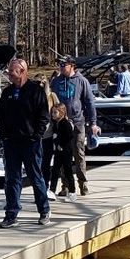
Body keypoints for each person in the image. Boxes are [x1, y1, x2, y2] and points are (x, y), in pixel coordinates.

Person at [0, 56, 51, 228]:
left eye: (12, 72)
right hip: (11, 142)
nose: (9, 75)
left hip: (31, 142)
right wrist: (4, 136)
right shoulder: (7, 92)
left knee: (36, 177)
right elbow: (1, 115)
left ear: (22, 72)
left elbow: (44, 116)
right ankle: (11, 213)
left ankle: (44, 210)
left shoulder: (35, 90)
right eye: (9, 72)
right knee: (12, 179)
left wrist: (37, 135)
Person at [49, 58, 96, 196]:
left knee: (78, 152)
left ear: (72, 66)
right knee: (63, 155)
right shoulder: (56, 81)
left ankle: (83, 183)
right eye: (60, 65)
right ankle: (66, 186)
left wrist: (92, 122)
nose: (62, 67)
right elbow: (51, 99)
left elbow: (89, 102)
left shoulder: (82, 81)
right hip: (61, 124)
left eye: (64, 65)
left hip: (77, 123)